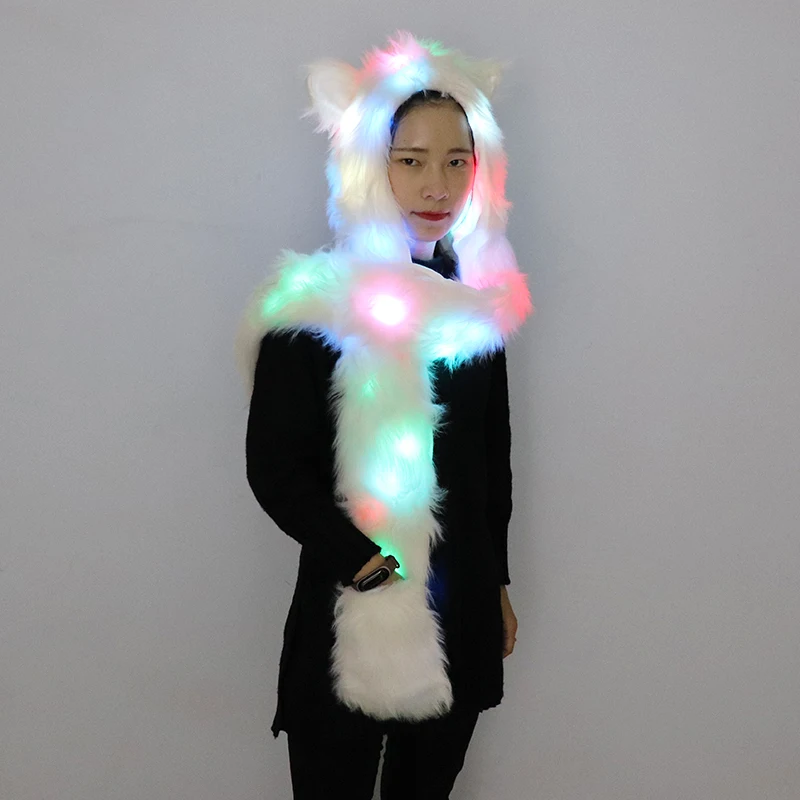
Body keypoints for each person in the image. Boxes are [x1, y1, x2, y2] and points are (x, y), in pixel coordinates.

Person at [237, 32, 533, 799]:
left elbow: (490, 461)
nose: (437, 184)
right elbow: (275, 465)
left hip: (457, 615)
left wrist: (495, 582)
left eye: (457, 161)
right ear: (372, 163)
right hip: (345, 617)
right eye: (411, 160)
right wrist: (360, 561)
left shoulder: (475, 310)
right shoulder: (313, 306)